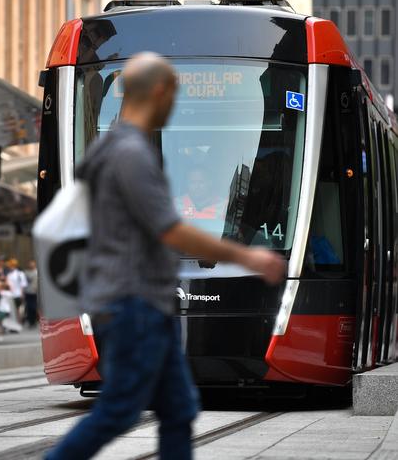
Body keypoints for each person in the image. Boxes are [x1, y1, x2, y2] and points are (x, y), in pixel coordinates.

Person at [44, 53, 285, 460]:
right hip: (132, 304)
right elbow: (171, 229)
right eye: (175, 94)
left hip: (141, 302)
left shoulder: (109, 149)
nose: (174, 104)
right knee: (119, 410)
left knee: (178, 408)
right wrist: (249, 258)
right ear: (160, 91)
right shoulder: (131, 154)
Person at [24, 260, 39, 328]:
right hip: (28, 292)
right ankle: (31, 322)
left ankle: (35, 320)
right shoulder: (26, 273)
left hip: (35, 292)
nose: (31, 265)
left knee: (34, 307)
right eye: (30, 264)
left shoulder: (37, 272)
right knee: (29, 307)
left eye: (32, 264)